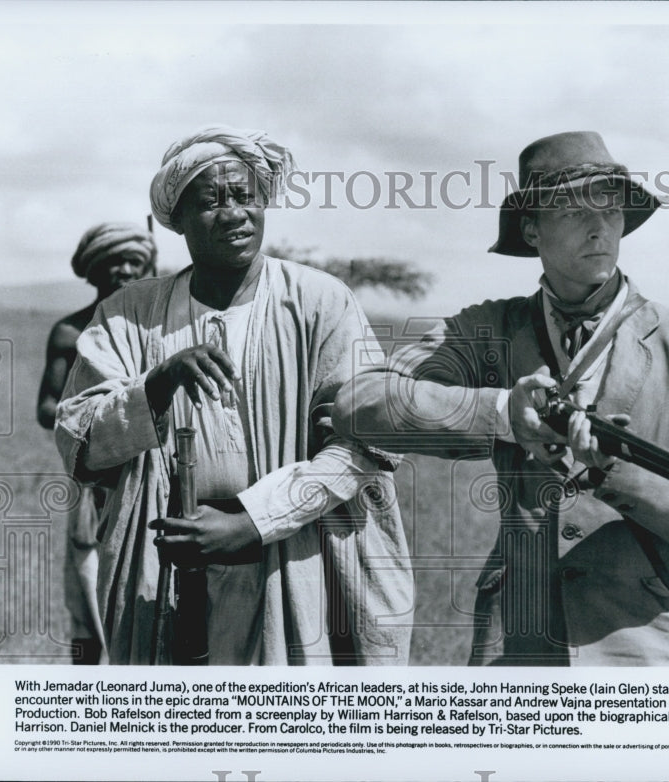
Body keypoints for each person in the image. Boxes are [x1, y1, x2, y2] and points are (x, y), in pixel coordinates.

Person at [334, 131, 669, 666]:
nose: (600, 226)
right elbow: (363, 402)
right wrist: (503, 413)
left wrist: (616, 471)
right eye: (575, 210)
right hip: (521, 643)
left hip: (654, 644)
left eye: (611, 208)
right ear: (532, 228)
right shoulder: (489, 331)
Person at [55, 125, 413, 665]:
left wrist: (252, 523)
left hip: (297, 554)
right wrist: (156, 385)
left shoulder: (320, 302)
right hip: (167, 568)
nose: (233, 214)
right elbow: (78, 438)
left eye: (245, 196)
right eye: (210, 201)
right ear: (176, 218)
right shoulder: (130, 314)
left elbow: (365, 442)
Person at [37, 221, 157, 664]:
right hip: (89, 481)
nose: (125, 269)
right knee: (87, 588)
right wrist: (92, 421)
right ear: (94, 271)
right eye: (114, 262)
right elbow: (47, 406)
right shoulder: (70, 332)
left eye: (134, 262)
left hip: (146, 474)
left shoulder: (151, 330)